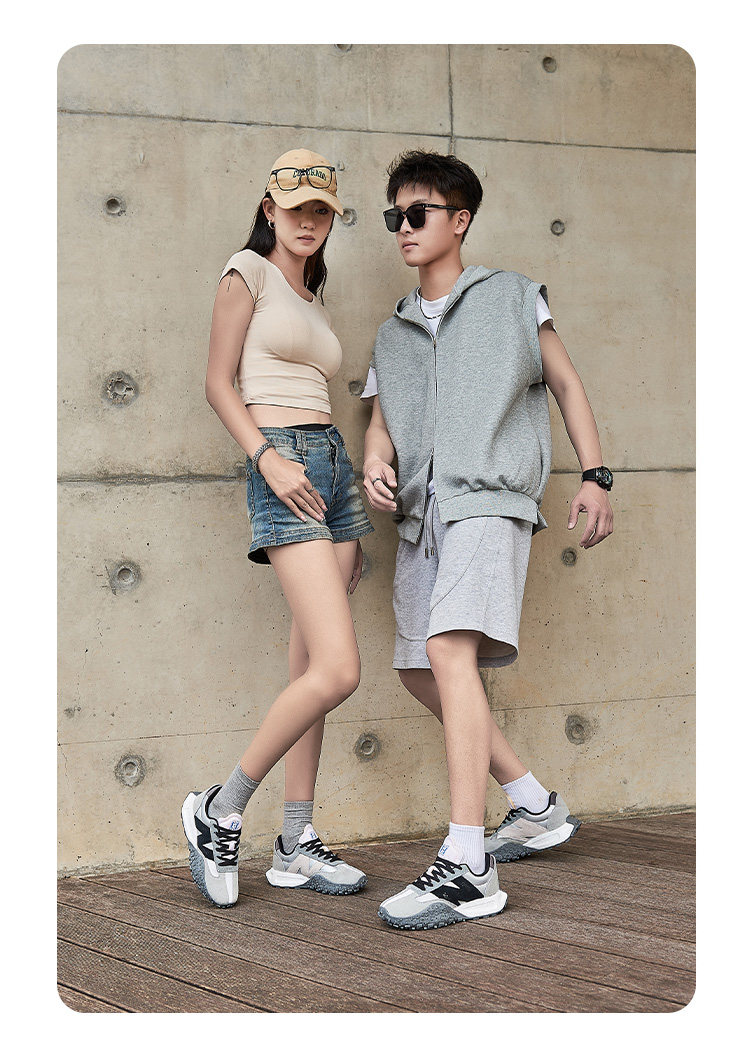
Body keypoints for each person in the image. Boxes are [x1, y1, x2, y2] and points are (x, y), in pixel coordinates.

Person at [361, 149, 614, 930]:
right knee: (418, 668)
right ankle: (532, 803)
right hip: (421, 516)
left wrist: (596, 474)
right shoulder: (393, 331)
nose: (404, 228)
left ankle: (469, 860)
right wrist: (375, 460)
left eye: (418, 213)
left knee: (447, 649)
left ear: (460, 219)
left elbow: (565, 382)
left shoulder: (511, 296)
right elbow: (381, 419)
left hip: (490, 499)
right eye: (395, 216)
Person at [182, 149, 375, 908]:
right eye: (296, 208)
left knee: (312, 670)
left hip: (330, 466)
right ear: (270, 208)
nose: (308, 221)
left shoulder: (310, 294)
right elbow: (217, 382)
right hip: (284, 463)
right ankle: (220, 806)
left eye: (321, 210)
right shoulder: (247, 273)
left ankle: (295, 840)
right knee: (340, 669)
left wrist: (330, 476)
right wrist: (267, 458)